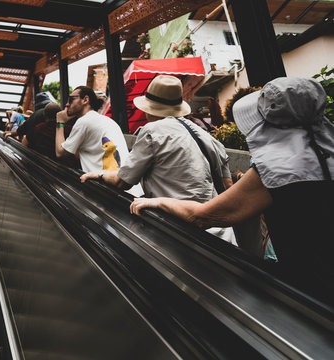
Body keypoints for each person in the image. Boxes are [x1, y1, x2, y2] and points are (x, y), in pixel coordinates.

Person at [130, 77, 334, 303]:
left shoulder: (277, 167)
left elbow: (203, 216)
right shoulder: (324, 152)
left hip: (313, 290)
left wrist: (159, 202)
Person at [80, 75, 235, 244]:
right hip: (222, 237)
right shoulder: (206, 136)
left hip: (180, 235)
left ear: (149, 109)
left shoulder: (152, 131)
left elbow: (122, 182)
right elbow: (227, 186)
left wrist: (100, 175)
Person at [55, 86, 143, 196]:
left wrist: (60, 122)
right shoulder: (106, 120)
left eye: (71, 99)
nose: (67, 104)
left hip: (112, 190)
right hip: (131, 189)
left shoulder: (84, 121)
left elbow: (60, 153)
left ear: (85, 100)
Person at [23, 102, 78, 168]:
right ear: (59, 114)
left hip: (41, 167)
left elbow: (24, 143)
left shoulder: (37, 129)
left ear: (45, 116)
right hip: (64, 169)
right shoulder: (69, 130)